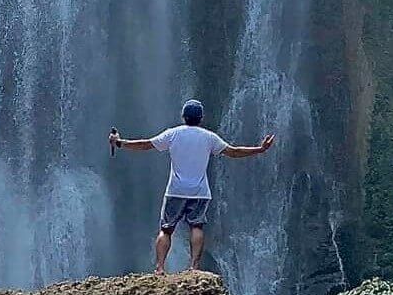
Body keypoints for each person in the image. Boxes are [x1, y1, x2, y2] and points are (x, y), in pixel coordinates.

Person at [110, 99, 275, 274]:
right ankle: (194, 267)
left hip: (175, 191)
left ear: (183, 116)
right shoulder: (209, 137)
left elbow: (145, 144)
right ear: (201, 118)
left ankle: (159, 268)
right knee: (197, 227)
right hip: (200, 192)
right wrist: (259, 149)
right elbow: (233, 152)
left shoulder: (172, 134)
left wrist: (120, 142)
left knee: (166, 229)